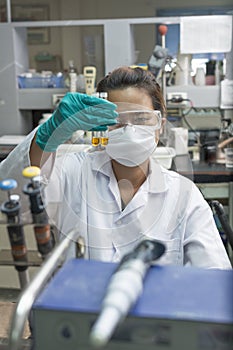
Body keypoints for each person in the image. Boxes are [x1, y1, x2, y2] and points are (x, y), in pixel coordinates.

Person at [0, 66, 231, 268]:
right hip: (79, 313)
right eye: (117, 121)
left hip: (155, 316)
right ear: (100, 126)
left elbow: (213, 277)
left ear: (160, 125)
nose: (129, 130)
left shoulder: (184, 195)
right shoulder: (72, 171)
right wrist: (47, 135)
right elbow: (7, 198)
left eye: (141, 119)